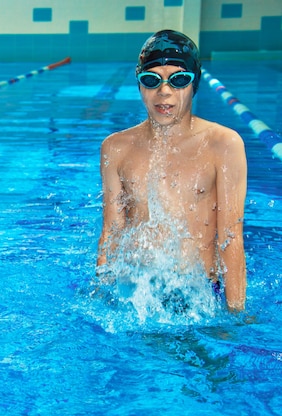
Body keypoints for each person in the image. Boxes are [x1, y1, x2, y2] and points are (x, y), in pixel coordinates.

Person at [96, 29, 247, 312]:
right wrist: (102, 294)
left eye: (178, 80)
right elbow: (112, 231)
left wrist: (236, 315)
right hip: (136, 294)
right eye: (151, 80)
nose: (164, 91)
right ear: (139, 85)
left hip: (198, 295)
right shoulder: (115, 148)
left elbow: (232, 237)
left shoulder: (223, 144)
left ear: (194, 85)